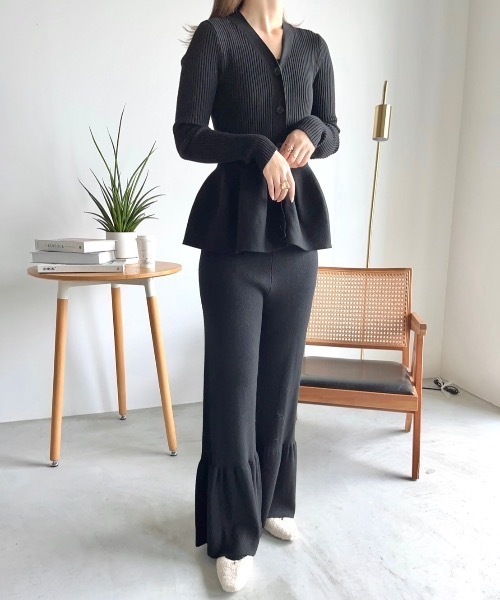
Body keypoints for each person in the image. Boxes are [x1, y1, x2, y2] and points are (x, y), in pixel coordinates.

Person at [173, 0, 340, 592]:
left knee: (281, 383)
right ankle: (233, 536)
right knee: (234, 388)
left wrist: (310, 132)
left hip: (296, 241)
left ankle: (272, 502)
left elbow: (333, 131)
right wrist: (258, 149)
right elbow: (188, 135)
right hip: (232, 239)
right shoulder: (215, 40)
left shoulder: (313, 47)